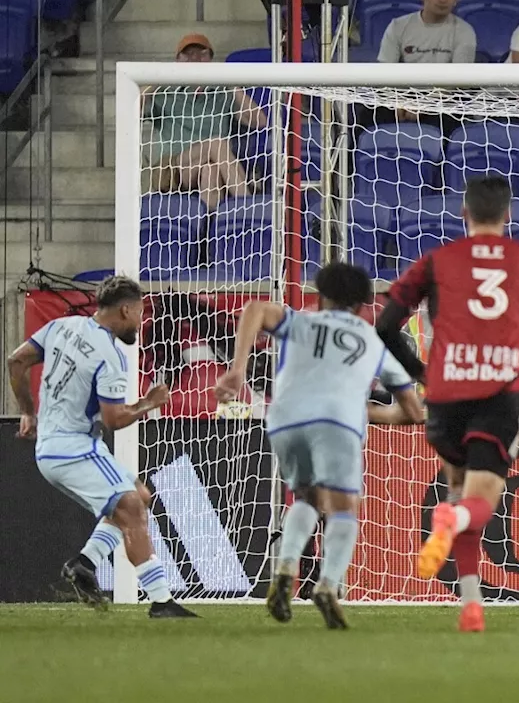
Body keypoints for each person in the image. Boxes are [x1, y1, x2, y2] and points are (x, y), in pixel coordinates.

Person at [374, 176, 519, 633]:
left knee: (459, 487)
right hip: (499, 391)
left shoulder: (436, 260)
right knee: (478, 502)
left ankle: (471, 604)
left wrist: (420, 371)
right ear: (508, 216)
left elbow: (384, 325)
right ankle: (453, 519)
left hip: (445, 394)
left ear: (464, 214)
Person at [214, 263, 423, 629]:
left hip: (285, 418)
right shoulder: (371, 341)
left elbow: (254, 310)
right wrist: (363, 412)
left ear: (321, 295)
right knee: (343, 508)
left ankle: (284, 568)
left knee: (309, 497)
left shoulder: (302, 321)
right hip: (338, 422)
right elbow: (412, 410)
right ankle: (326, 586)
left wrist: (236, 369)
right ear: (362, 305)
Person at [6, 276, 196, 618]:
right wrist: (148, 403)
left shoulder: (60, 326)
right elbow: (113, 419)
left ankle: (84, 562)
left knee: (140, 495)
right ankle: (162, 602)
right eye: (139, 312)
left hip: (50, 447)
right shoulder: (110, 355)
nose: (140, 320)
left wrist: (28, 413)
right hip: (76, 448)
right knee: (133, 507)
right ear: (125, 309)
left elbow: (15, 361)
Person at [142, 34, 267, 210]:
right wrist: (158, 78)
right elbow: (133, 108)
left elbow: (259, 121)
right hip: (171, 169)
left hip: (208, 166)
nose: (195, 59)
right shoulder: (166, 92)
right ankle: (246, 208)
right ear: (177, 60)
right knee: (216, 144)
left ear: (210, 59)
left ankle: (208, 233)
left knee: (211, 172)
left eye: (201, 54)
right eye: (188, 54)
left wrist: (231, 84)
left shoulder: (221, 92)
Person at [378, 0, 476, 66]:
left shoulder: (465, 31)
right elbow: (384, 73)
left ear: (455, 0)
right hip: (405, 88)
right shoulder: (397, 26)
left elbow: (460, 79)